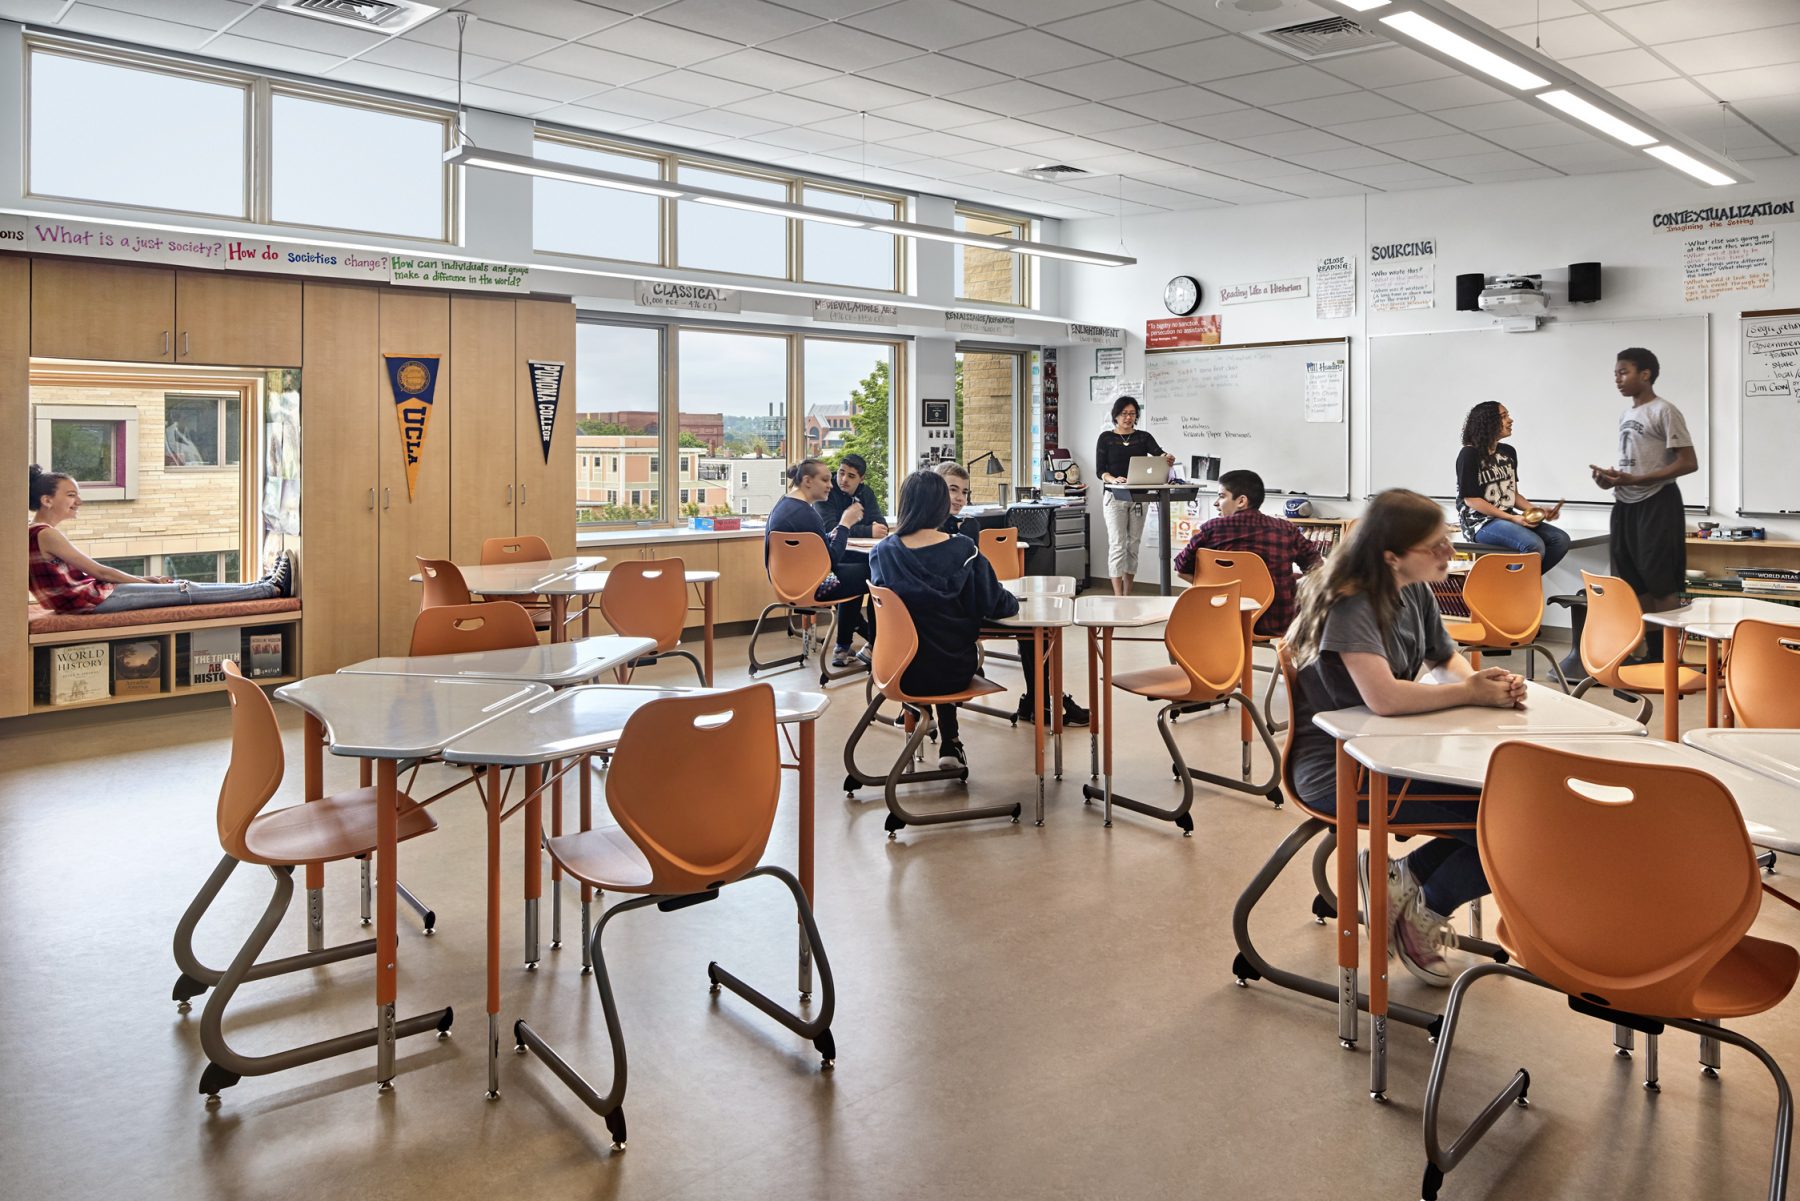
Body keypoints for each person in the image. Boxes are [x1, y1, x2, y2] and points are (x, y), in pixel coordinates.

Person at [1285, 489, 1525, 986]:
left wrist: (1479, 685)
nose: (1449, 554)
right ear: (1391, 555)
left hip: (1389, 752)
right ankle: (1422, 916)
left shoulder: (1411, 586)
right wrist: (1470, 694)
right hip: (1343, 771)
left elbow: (1443, 658)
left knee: (1514, 808)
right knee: (1513, 828)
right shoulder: (1353, 603)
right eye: (1434, 546)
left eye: (1446, 541)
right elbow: (1385, 699)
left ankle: (1401, 876)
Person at [868, 470, 1020, 771]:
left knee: (922, 641)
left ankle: (923, 726)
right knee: (942, 641)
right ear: (940, 504)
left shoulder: (882, 552)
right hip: (952, 670)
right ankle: (951, 743)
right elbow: (995, 603)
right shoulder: (963, 549)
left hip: (895, 670)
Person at [936, 461, 1088, 727]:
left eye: (964, 492)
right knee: (1032, 623)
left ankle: (1039, 700)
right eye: (952, 490)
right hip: (957, 620)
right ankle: (1046, 702)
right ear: (934, 490)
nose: (960, 498)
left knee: (1033, 628)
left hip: (969, 608)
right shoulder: (941, 533)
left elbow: (976, 577)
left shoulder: (963, 528)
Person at [28, 465, 293, 614]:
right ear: (47, 500)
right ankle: (270, 589)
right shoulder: (45, 533)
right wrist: (144, 581)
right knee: (182, 590)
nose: (79, 501)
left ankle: (263, 585)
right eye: (71, 495)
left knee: (179, 585)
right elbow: (99, 571)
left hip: (87, 599)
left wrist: (145, 582)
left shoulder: (32, 532)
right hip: (90, 601)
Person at [1590, 347, 1697, 640]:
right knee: (1634, 583)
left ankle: (1669, 663)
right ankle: (1650, 656)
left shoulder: (1664, 410)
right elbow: (1634, 462)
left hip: (1658, 503)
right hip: (1625, 504)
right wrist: (1610, 480)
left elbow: (1688, 462)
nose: (1618, 379)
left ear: (1645, 374)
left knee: (1661, 582)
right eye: (1615, 373)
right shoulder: (1627, 413)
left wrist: (1638, 478)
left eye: (1624, 372)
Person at [1173, 468, 1322, 638]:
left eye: (1222, 496)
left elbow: (1181, 569)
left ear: (1241, 501)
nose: (1216, 503)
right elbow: (1317, 569)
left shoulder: (1211, 530)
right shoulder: (1286, 529)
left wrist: (1216, 585)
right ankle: (1285, 661)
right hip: (1276, 622)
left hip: (1219, 618)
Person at [767, 457, 870, 667]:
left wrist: (831, 535)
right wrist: (845, 523)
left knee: (853, 575)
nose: (831, 484)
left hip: (784, 584)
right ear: (807, 481)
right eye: (825, 480)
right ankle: (876, 642)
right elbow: (830, 561)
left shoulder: (783, 505)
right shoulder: (808, 513)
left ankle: (847, 645)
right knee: (876, 572)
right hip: (817, 587)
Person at [1454, 401, 1570, 571]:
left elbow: (1513, 495)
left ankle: (1519, 585)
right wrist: (1512, 518)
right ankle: (1514, 590)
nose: (1510, 420)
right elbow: (1472, 500)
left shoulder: (1508, 452)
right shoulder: (1469, 454)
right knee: (1533, 545)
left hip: (1506, 517)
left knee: (1560, 540)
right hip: (1479, 523)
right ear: (1488, 423)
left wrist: (1535, 511)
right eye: (1503, 417)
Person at [1093, 395, 1174, 596]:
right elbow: (1099, 470)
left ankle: (1128, 592)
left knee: (1133, 545)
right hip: (1115, 497)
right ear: (1116, 415)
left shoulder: (1143, 437)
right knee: (1117, 544)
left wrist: (1167, 458)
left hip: (1140, 498)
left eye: (1132, 414)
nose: (1128, 418)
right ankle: (1118, 596)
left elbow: (1158, 453)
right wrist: (1112, 479)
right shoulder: (1106, 438)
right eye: (1124, 414)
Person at [813, 453, 888, 539]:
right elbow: (828, 528)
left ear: (861, 479)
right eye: (841, 473)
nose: (844, 479)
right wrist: (867, 531)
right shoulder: (825, 490)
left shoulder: (866, 493)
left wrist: (879, 529)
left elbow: (881, 524)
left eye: (851, 476)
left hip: (860, 549)